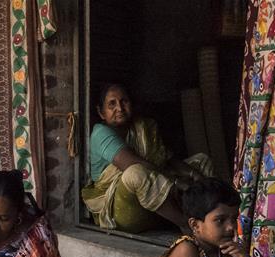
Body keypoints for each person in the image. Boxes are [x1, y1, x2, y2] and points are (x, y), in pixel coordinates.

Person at [82, 83, 216, 233]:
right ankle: (187, 224)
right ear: (101, 112)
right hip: (120, 211)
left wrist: (193, 174)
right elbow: (132, 163)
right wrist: (176, 182)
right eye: (111, 104)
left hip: (155, 208)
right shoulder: (100, 133)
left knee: (202, 161)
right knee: (135, 173)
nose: (119, 108)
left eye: (124, 101)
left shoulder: (143, 126)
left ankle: (209, 219)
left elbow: (166, 159)